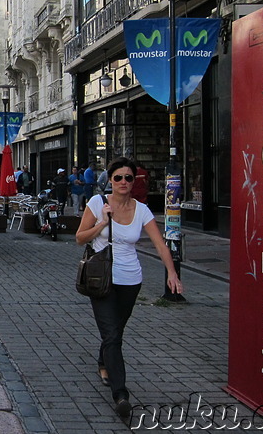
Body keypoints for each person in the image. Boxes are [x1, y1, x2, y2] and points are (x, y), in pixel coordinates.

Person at [75, 156, 182, 418]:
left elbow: (159, 243)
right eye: (118, 177)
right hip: (102, 279)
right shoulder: (98, 202)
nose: (123, 182)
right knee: (112, 335)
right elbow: (79, 238)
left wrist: (171, 273)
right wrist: (102, 222)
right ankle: (121, 393)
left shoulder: (142, 209)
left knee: (116, 331)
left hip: (131, 281)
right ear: (110, 180)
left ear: (134, 181)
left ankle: (103, 361)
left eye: (128, 178)